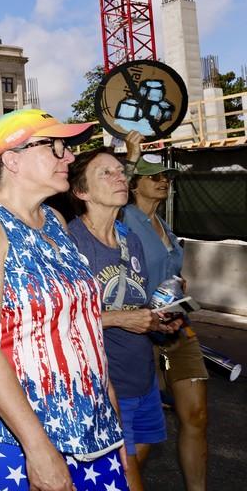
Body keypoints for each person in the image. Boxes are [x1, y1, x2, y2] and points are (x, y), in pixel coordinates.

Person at [0, 108, 128, 490]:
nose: (69, 156)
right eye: (55, 146)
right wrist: (37, 448)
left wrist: (113, 422)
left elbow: (82, 330)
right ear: (12, 159)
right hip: (10, 439)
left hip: (89, 428)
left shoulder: (54, 219)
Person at [66, 148, 181, 491]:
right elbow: (57, 315)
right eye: (106, 173)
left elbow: (137, 302)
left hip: (142, 380)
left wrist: (158, 322)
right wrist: (117, 319)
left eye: (121, 171)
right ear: (81, 192)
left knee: (131, 468)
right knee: (125, 477)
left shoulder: (130, 239)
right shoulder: (70, 242)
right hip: (103, 387)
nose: (120, 177)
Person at [123, 144, 210, 491]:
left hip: (177, 329)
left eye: (166, 177)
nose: (163, 182)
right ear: (134, 184)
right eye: (153, 177)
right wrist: (130, 158)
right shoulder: (125, 217)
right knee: (140, 436)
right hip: (139, 334)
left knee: (197, 416)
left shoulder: (167, 229)